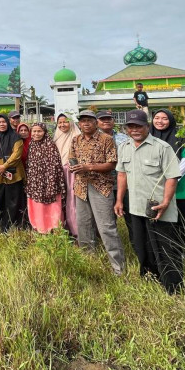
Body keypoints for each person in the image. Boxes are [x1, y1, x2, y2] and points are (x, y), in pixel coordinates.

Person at [115, 110, 183, 294]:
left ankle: (173, 285)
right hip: (135, 207)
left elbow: (172, 177)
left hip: (159, 207)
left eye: (139, 126)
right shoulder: (124, 147)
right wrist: (119, 200)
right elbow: (122, 175)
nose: (135, 130)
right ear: (126, 129)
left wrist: (166, 201)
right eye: (131, 126)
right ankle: (150, 278)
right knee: (141, 244)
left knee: (165, 246)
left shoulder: (162, 147)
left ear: (147, 126)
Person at [70, 110, 125, 276]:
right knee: (84, 225)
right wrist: (74, 166)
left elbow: (112, 164)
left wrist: (89, 167)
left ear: (96, 123)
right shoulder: (76, 140)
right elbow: (72, 158)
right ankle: (88, 259)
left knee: (106, 227)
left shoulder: (106, 139)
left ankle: (118, 267)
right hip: (81, 187)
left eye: (89, 120)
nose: (85, 123)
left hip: (101, 187)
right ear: (79, 124)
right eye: (82, 121)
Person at [151, 109, 185, 271]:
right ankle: (180, 251)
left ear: (171, 121)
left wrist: (170, 179)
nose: (160, 121)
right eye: (156, 118)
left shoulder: (181, 136)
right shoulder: (150, 137)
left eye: (164, 118)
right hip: (160, 189)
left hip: (183, 188)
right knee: (171, 224)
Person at [0, 114, 25, 232]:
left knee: (13, 199)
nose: (1, 124)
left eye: (3, 122)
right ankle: (2, 223)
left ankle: (14, 223)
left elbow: (17, 154)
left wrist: (5, 166)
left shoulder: (16, 137)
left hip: (13, 174)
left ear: (8, 123)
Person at [97, 110, 132, 242]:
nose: (106, 121)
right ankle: (109, 246)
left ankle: (135, 245)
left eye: (109, 119)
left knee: (131, 217)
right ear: (97, 122)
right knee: (107, 220)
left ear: (113, 121)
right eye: (102, 119)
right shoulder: (93, 139)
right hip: (104, 185)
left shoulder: (125, 138)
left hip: (125, 184)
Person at [24, 123, 65, 233]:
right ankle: (40, 227)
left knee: (51, 206)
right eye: (34, 131)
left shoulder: (50, 145)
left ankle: (54, 228)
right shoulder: (32, 144)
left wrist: (50, 184)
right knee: (37, 206)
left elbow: (54, 166)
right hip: (34, 182)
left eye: (39, 131)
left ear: (45, 132)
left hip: (48, 182)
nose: (36, 134)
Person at [53, 113, 81, 238]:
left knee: (73, 201)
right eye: (60, 122)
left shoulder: (77, 136)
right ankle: (63, 227)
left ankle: (76, 230)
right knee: (62, 200)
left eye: (65, 122)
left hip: (73, 172)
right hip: (59, 172)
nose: (62, 125)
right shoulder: (56, 137)